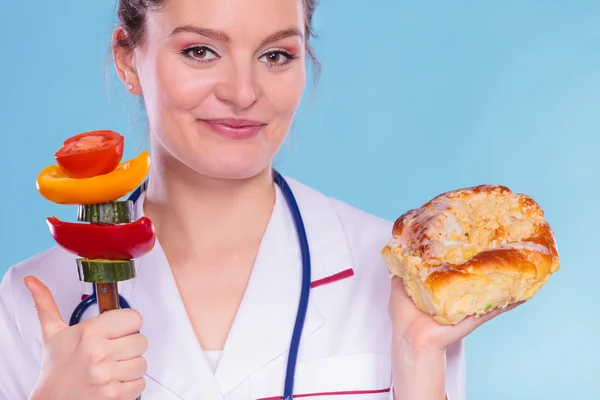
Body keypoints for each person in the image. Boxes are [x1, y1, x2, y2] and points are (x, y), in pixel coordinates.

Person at [0, 0, 521, 399]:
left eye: (276, 55)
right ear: (127, 59)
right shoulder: (36, 296)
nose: (244, 92)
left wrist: (416, 360)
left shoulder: (398, 272)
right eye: (200, 51)